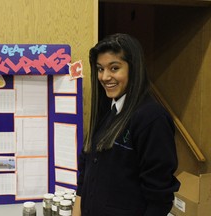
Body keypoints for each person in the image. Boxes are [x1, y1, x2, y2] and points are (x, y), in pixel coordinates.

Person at [72, 33, 180, 216]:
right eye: (100, 69)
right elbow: (86, 170)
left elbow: (159, 198)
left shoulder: (152, 118)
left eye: (114, 68)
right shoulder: (107, 111)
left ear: (134, 69)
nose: (105, 77)